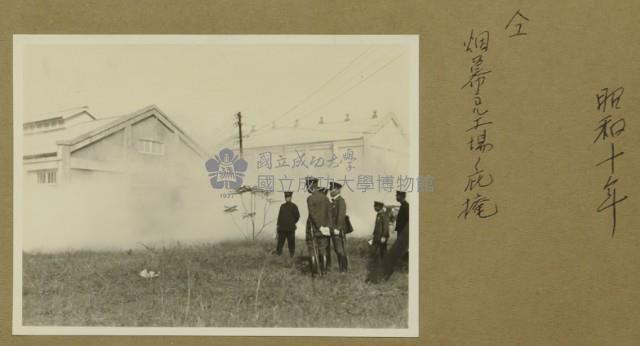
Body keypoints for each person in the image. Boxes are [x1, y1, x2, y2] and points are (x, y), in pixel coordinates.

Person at [305, 177, 332, 275]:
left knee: (312, 249)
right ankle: (324, 271)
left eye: (307, 186)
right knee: (323, 249)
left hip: (314, 228)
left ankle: (315, 272)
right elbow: (330, 214)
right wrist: (327, 227)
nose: (307, 188)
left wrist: (319, 226)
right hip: (325, 229)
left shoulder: (310, 198)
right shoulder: (326, 198)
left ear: (311, 186)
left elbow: (312, 215)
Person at [329, 181, 348, 272]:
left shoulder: (340, 201)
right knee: (337, 249)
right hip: (334, 229)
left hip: (338, 230)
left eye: (332, 189)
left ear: (337, 190)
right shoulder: (335, 201)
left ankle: (344, 269)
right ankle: (342, 268)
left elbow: (341, 216)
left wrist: (338, 228)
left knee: (340, 249)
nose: (330, 191)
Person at [275, 191, 300, 257]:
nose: (287, 198)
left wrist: (292, 222)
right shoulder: (282, 206)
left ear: (291, 197)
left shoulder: (294, 206)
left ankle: (292, 256)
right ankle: (278, 255)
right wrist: (278, 227)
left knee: (291, 244)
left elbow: (297, 216)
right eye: (286, 197)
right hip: (282, 229)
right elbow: (279, 217)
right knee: (280, 244)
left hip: (290, 228)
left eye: (288, 197)